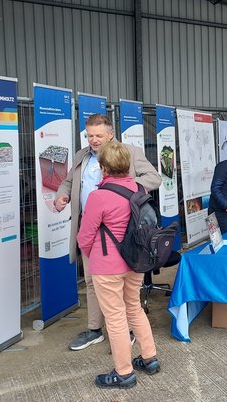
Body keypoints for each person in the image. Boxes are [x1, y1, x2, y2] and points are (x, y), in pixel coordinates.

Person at [54, 114, 160, 352]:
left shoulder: (129, 152)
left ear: (110, 134)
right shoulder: (82, 156)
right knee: (92, 281)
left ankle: (126, 331)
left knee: (123, 287)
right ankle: (94, 329)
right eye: (90, 135)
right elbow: (68, 182)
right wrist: (62, 195)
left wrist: (126, 187)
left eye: (98, 135)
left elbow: (154, 178)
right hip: (92, 231)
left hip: (124, 231)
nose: (93, 140)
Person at [76, 141, 160, 389]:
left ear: (103, 168)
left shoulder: (98, 196)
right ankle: (149, 358)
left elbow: (84, 237)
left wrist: (94, 255)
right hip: (136, 262)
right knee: (134, 308)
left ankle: (124, 372)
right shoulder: (139, 189)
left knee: (115, 318)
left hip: (107, 266)